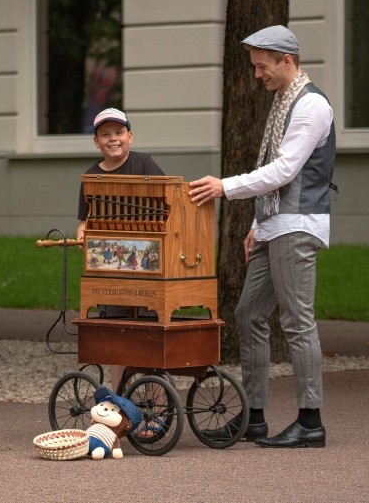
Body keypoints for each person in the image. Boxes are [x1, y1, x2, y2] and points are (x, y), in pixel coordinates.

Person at [188, 26, 336, 448]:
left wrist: (224, 187)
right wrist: (257, 225)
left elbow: (285, 170)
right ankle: (253, 418)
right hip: (275, 224)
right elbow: (277, 169)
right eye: (255, 66)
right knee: (248, 314)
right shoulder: (283, 101)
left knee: (296, 320)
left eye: (261, 66)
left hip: (298, 224)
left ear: (286, 60)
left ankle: (310, 421)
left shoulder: (310, 106)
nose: (257, 74)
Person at [76, 107, 165, 390]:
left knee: (148, 335)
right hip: (110, 267)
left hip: (147, 268)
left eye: (118, 133)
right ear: (96, 142)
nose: (113, 139)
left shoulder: (144, 165)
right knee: (117, 336)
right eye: (105, 135)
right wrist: (82, 239)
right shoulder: (91, 176)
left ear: (130, 136)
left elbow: (169, 202)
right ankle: (117, 406)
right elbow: (84, 222)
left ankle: (155, 405)